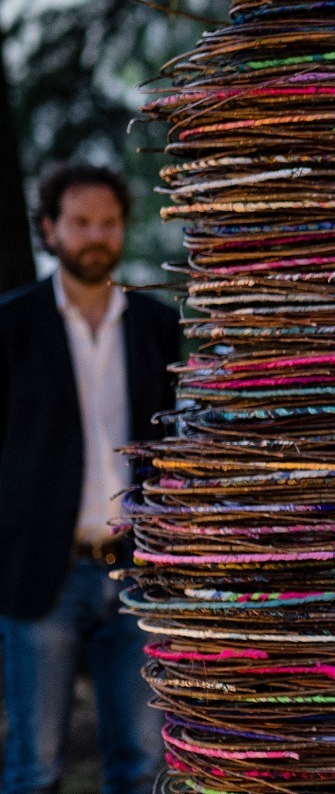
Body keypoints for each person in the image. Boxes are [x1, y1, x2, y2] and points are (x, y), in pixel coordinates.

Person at [0, 162, 179, 794]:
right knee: (34, 765)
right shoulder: (11, 326)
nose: (96, 236)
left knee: (144, 764)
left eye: (108, 222)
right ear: (50, 229)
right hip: (39, 571)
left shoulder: (158, 326)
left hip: (140, 568)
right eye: (80, 222)